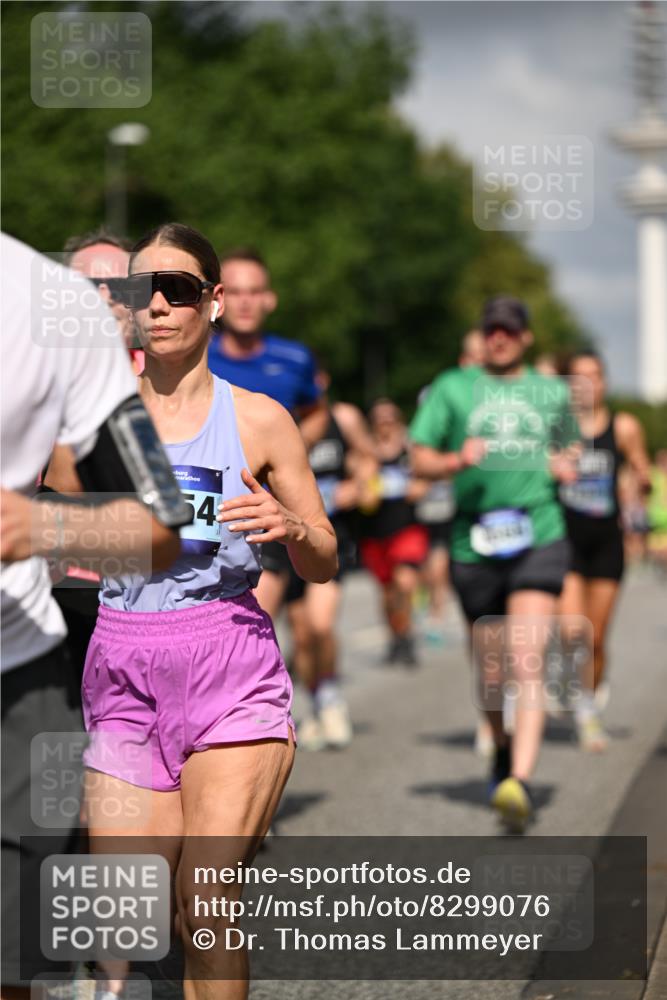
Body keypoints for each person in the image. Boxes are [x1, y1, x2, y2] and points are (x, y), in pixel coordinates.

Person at [64, 223, 337, 999]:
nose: (155, 306)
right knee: (133, 918)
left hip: (229, 665)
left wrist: (293, 529)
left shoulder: (258, 420)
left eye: (177, 289)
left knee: (206, 898)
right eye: (138, 291)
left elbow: (322, 559)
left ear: (213, 302)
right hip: (122, 669)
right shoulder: (88, 424)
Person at [1, 232, 186, 997]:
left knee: (13, 966)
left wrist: (43, 527)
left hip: (14, 678)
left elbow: (158, 525)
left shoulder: (53, 309)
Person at [410, 295, 579, 832]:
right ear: (483, 335)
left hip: (538, 532)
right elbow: (419, 457)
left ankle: (520, 782)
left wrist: (565, 463)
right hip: (473, 540)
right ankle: (502, 749)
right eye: (492, 329)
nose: (499, 336)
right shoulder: (453, 388)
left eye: (509, 329)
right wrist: (456, 459)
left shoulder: (553, 393)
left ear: (526, 337)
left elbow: (573, 447)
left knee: (527, 658)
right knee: (490, 667)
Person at [207, 247, 327, 617]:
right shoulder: (197, 354)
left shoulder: (294, 358)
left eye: (254, 292)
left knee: (246, 618)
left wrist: (289, 449)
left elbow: (317, 411)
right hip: (205, 504)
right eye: (235, 292)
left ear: (269, 300)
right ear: (218, 299)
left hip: (266, 507)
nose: (244, 303)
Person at [559, 350, 651, 750]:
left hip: (606, 543)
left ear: (605, 382)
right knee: (571, 632)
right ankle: (581, 701)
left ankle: (588, 704)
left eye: (593, 376)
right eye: (577, 377)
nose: (586, 384)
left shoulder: (624, 426)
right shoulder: (555, 427)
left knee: (595, 639)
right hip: (563, 539)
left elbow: (640, 468)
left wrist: (642, 482)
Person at [286, 366, 377, 750]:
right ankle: (316, 700)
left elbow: (369, 459)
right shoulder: (281, 420)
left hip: (331, 538)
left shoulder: (345, 418)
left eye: (318, 378)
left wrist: (357, 486)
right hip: (286, 542)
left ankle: (331, 697)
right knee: (302, 635)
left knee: (321, 626)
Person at [359, 399, 430, 667]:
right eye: (380, 420)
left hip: (406, 527)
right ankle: (395, 636)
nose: (386, 425)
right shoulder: (366, 454)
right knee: (388, 592)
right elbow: (364, 496)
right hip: (375, 532)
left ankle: (407, 635)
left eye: (390, 419)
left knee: (405, 583)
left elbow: (425, 479)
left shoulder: (410, 449)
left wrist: (418, 486)